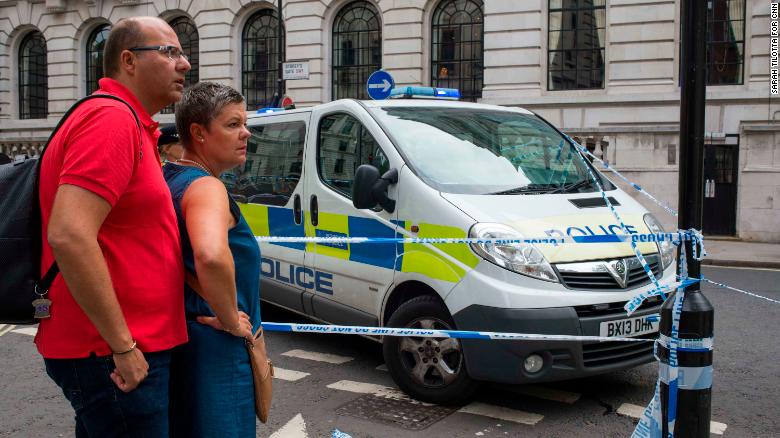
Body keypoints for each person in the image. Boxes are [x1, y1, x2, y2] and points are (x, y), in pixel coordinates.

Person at [37, 16, 191, 437]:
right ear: (129, 60)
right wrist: (122, 345)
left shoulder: (129, 122)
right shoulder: (111, 120)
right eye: (170, 51)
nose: (185, 64)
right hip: (115, 351)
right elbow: (69, 233)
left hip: (119, 346)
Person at [164, 82, 261, 437]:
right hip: (216, 348)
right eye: (233, 124)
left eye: (244, 123)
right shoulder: (206, 187)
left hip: (184, 339)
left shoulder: (169, 176)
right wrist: (231, 321)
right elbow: (211, 255)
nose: (246, 133)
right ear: (198, 133)